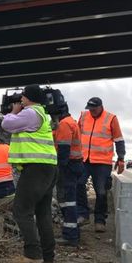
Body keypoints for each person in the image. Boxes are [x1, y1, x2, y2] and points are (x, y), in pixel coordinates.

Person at [2, 84, 58, 263]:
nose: (21, 99)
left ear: (30, 98)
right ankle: (48, 256)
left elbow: (7, 124)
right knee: (43, 213)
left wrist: (13, 112)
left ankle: (33, 254)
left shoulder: (31, 113)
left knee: (21, 210)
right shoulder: (42, 113)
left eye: (23, 96)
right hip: (48, 167)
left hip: (36, 169)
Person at [77, 97, 125, 232]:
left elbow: (119, 139)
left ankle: (100, 220)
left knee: (101, 192)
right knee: (79, 184)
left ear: (100, 107)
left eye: (94, 109)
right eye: (89, 109)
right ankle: (83, 214)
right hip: (84, 159)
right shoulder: (84, 116)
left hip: (102, 162)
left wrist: (121, 158)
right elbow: (77, 133)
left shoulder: (111, 118)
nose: (91, 111)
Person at [52, 103, 84, 247]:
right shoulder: (71, 122)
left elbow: (63, 151)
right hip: (74, 165)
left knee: (67, 201)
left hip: (68, 167)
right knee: (68, 201)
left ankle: (71, 236)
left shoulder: (64, 124)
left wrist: (58, 169)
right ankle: (73, 231)